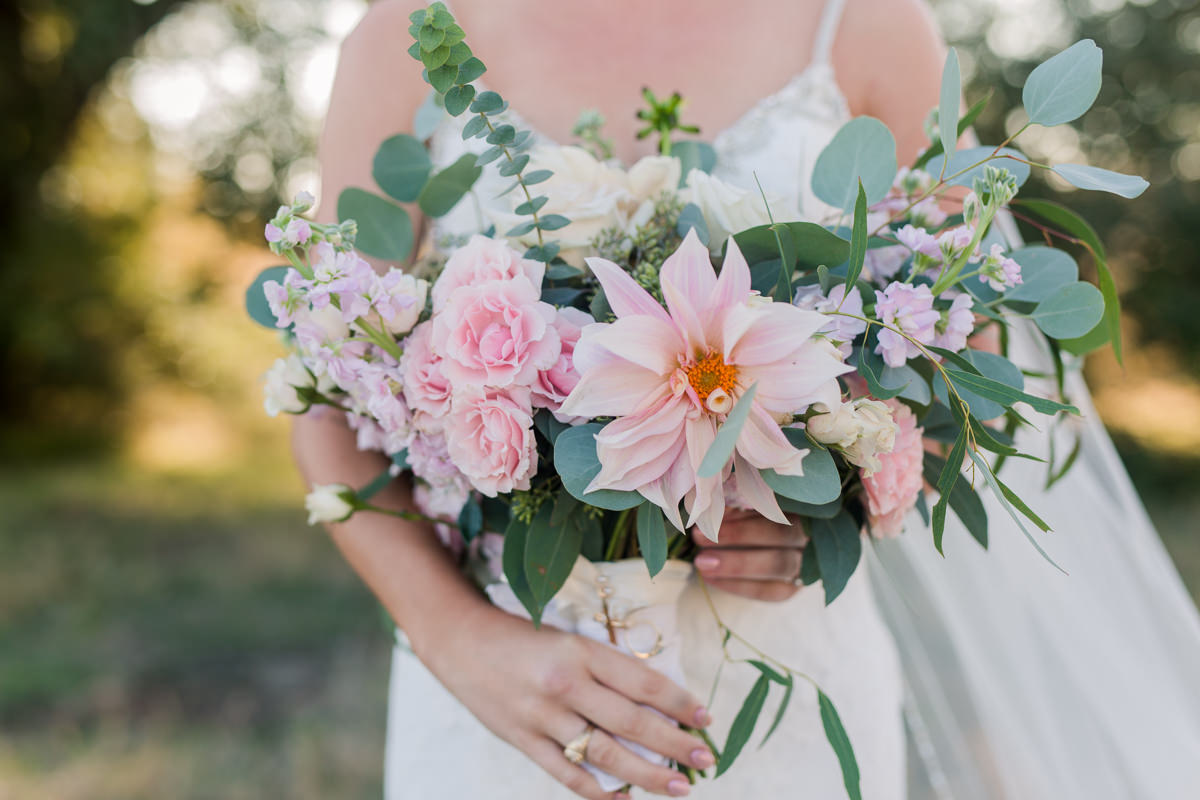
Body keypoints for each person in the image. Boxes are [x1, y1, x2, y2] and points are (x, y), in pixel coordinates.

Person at [296, 0, 1200, 797]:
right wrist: (460, 642)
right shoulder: (400, 40)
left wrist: (830, 506)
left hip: (787, 689)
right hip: (507, 699)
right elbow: (327, 392)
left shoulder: (868, 25)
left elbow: (972, 354)